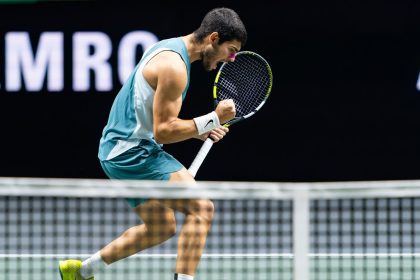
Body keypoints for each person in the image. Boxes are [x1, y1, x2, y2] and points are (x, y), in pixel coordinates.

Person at [58, 7, 247, 280]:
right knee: (201, 208)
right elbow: (164, 132)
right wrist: (212, 119)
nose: (231, 59)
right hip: (133, 152)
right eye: (230, 50)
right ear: (213, 38)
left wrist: (200, 131)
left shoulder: (169, 47)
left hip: (113, 150)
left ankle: (81, 271)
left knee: (161, 227)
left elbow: (154, 118)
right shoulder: (175, 68)